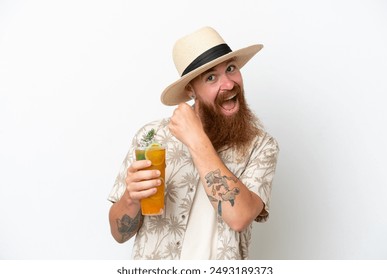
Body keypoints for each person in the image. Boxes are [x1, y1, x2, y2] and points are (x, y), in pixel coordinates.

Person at [108, 26, 279, 260]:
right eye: (211, 77)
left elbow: (239, 217)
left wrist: (197, 139)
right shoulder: (151, 137)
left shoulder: (261, 146)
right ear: (191, 89)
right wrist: (130, 198)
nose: (228, 84)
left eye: (231, 69)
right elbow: (119, 234)